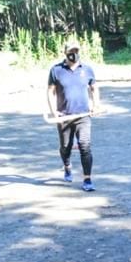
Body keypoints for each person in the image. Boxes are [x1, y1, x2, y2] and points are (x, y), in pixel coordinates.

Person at [47, 39, 100, 192]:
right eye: (71, 52)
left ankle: (87, 179)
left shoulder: (87, 69)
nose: (74, 54)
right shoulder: (56, 70)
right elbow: (50, 91)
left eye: (76, 51)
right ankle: (67, 165)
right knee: (65, 147)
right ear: (65, 53)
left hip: (83, 116)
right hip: (64, 117)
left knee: (85, 146)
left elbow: (94, 88)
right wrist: (53, 110)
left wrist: (96, 105)